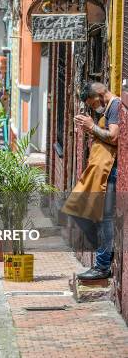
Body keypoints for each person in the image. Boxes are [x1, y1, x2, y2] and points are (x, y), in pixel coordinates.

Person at [63, 81, 120, 280]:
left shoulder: (116, 106)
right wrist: (91, 128)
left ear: (98, 95)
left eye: (90, 102)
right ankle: (105, 249)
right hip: (100, 171)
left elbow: (114, 137)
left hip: (109, 173)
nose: (92, 107)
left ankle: (102, 264)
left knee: (104, 218)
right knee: (78, 208)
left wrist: (91, 126)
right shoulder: (108, 110)